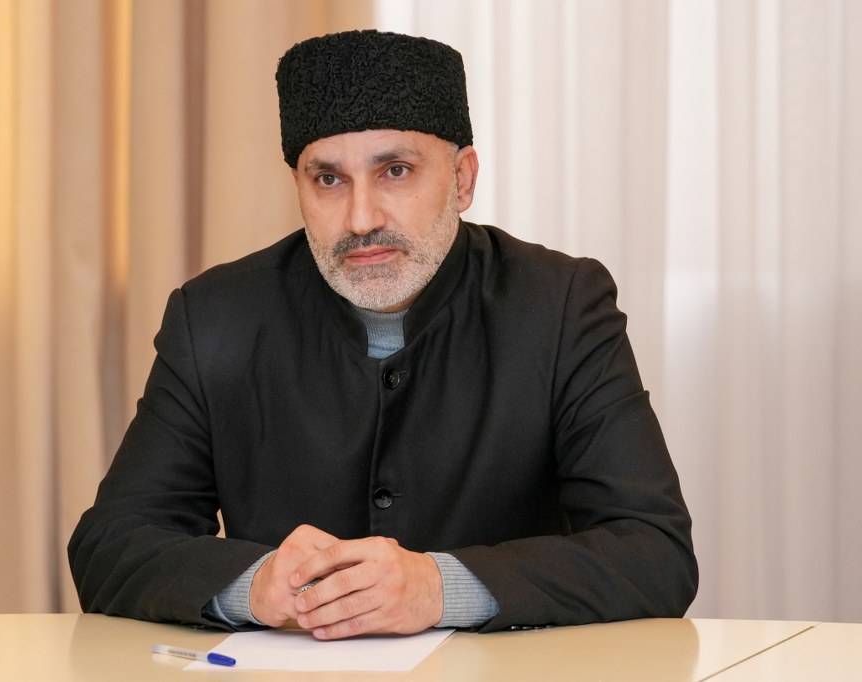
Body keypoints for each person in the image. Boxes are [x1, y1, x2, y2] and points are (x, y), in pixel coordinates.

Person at [67, 29, 698, 641]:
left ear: (462, 179)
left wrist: (438, 587)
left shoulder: (561, 305)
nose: (361, 218)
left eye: (395, 171)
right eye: (328, 179)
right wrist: (255, 585)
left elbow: (654, 550)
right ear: (298, 187)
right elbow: (110, 545)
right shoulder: (213, 316)